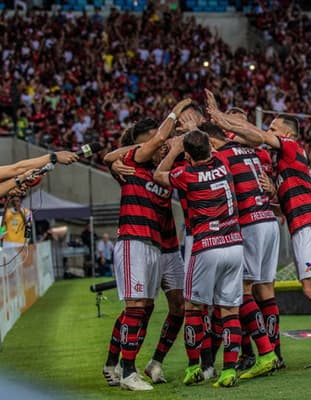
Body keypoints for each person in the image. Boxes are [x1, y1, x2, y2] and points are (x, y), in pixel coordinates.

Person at [211, 106, 311, 369]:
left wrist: (221, 120)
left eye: (274, 128)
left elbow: (258, 137)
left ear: (287, 133)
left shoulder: (291, 147)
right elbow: (282, 199)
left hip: (309, 223)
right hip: (299, 226)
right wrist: (273, 191)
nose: (269, 131)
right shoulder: (284, 161)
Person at [101, 98, 191, 391]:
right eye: (151, 143)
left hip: (165, 245)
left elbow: (180, 142)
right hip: (137, 240)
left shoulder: (168, 162)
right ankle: (119, 365)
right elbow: (109, 156)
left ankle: (155, 362)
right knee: (137, 306)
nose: (158, 146)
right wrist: (174, 112)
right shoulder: (129, 165)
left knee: (177, 306)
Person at [154, 130, 244, 388]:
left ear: (188, 155)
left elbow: (158, 175)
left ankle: (194, 367)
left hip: (206, 246)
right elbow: (213, 151)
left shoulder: (186, 175)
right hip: (235, 244)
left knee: (193, 308)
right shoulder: (224, 164)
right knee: (229, 309)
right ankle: (228, 371)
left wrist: (173, 151)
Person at [199, 120, 279, 379]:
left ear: (211, 142)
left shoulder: (221, 157)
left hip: (249, 224)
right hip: (269, 220)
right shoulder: (250, 150)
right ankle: (274, 352)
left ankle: (265, 352)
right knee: (264, 289)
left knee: (242, 292)